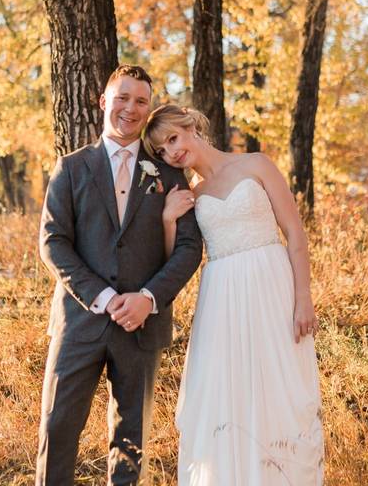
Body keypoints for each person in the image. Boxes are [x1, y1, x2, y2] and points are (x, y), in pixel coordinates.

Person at [36, 66, 203, 485]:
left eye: (141, 101)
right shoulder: (71, 168)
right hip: (80, 322)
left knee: (131, 444)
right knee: (57, 431)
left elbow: (188, 248)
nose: (131, 108)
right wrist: (106, 298)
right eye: (123, 97)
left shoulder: (168, 172)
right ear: (103, 101)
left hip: (142, 328)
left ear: (149, 110)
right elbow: (53, 242)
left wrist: (148, 298)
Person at [144, 104, 324, 486]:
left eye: (173, 138)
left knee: (278, 387)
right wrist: (167, 219)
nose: (172, 152)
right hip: (222, 299)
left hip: (271, 286)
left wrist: (303, 296)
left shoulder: (256, 164)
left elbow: (294, 233)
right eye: (162, 150)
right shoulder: (190, 195)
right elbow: (173, 258)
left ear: (191, 124)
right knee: (227, 393)